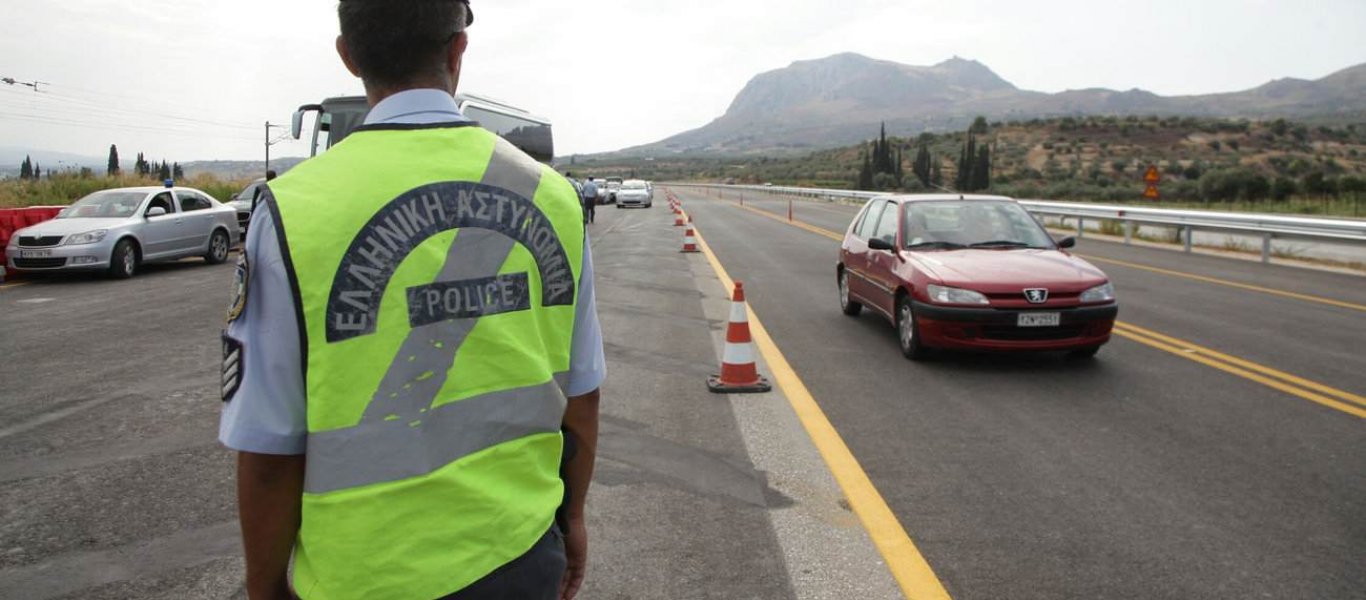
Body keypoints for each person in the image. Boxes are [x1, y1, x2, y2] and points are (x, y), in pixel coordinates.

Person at [218, 1, 604, 598]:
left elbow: (268, 448)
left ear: (348, 56)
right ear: (458, 49)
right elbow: (582, 399)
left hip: (363, 578)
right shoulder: (553, 197)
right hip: (522, 556)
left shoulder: (291, 210)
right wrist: (572, 517)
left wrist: (265, 586)